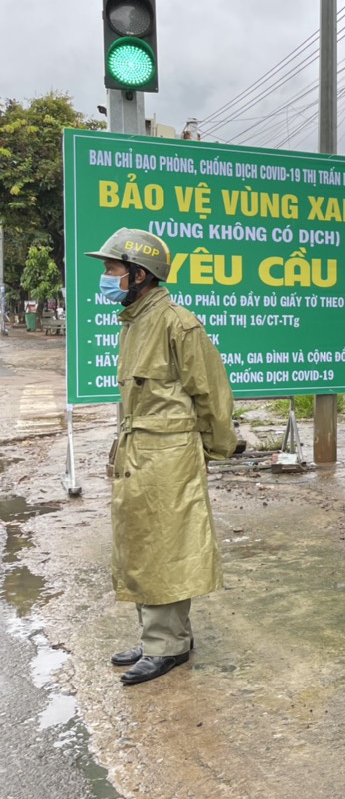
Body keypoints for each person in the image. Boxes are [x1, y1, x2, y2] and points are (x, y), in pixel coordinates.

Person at [86, 228, 236, 686]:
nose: (106, 277)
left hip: (169, 453)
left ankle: (166, 645)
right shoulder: (136, 321)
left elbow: (211, 392)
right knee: (143, 544)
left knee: (166, 547)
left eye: (112, 269)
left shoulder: (176, 322)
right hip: (141, 451)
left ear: (139, 273)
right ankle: (162, 637)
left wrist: (214, 447)